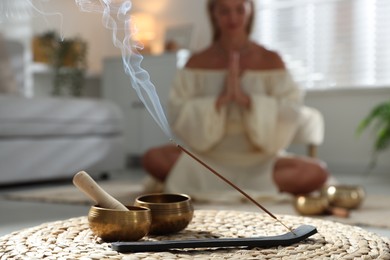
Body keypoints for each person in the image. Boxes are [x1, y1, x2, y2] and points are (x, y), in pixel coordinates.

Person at [142, 0, 329, 201]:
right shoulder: (196, 62)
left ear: (250, 10)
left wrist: (248, 101)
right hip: (207, 159)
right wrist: (220, 101)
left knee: (317, 172)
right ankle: (239, 185)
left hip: (259, 159)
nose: (233, 18)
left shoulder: (271, 59)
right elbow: (178, 110)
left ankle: (220, 185)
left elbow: (291, 108)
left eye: (239, 10)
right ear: (213, 12)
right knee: (152, 158)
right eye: (225, 11)